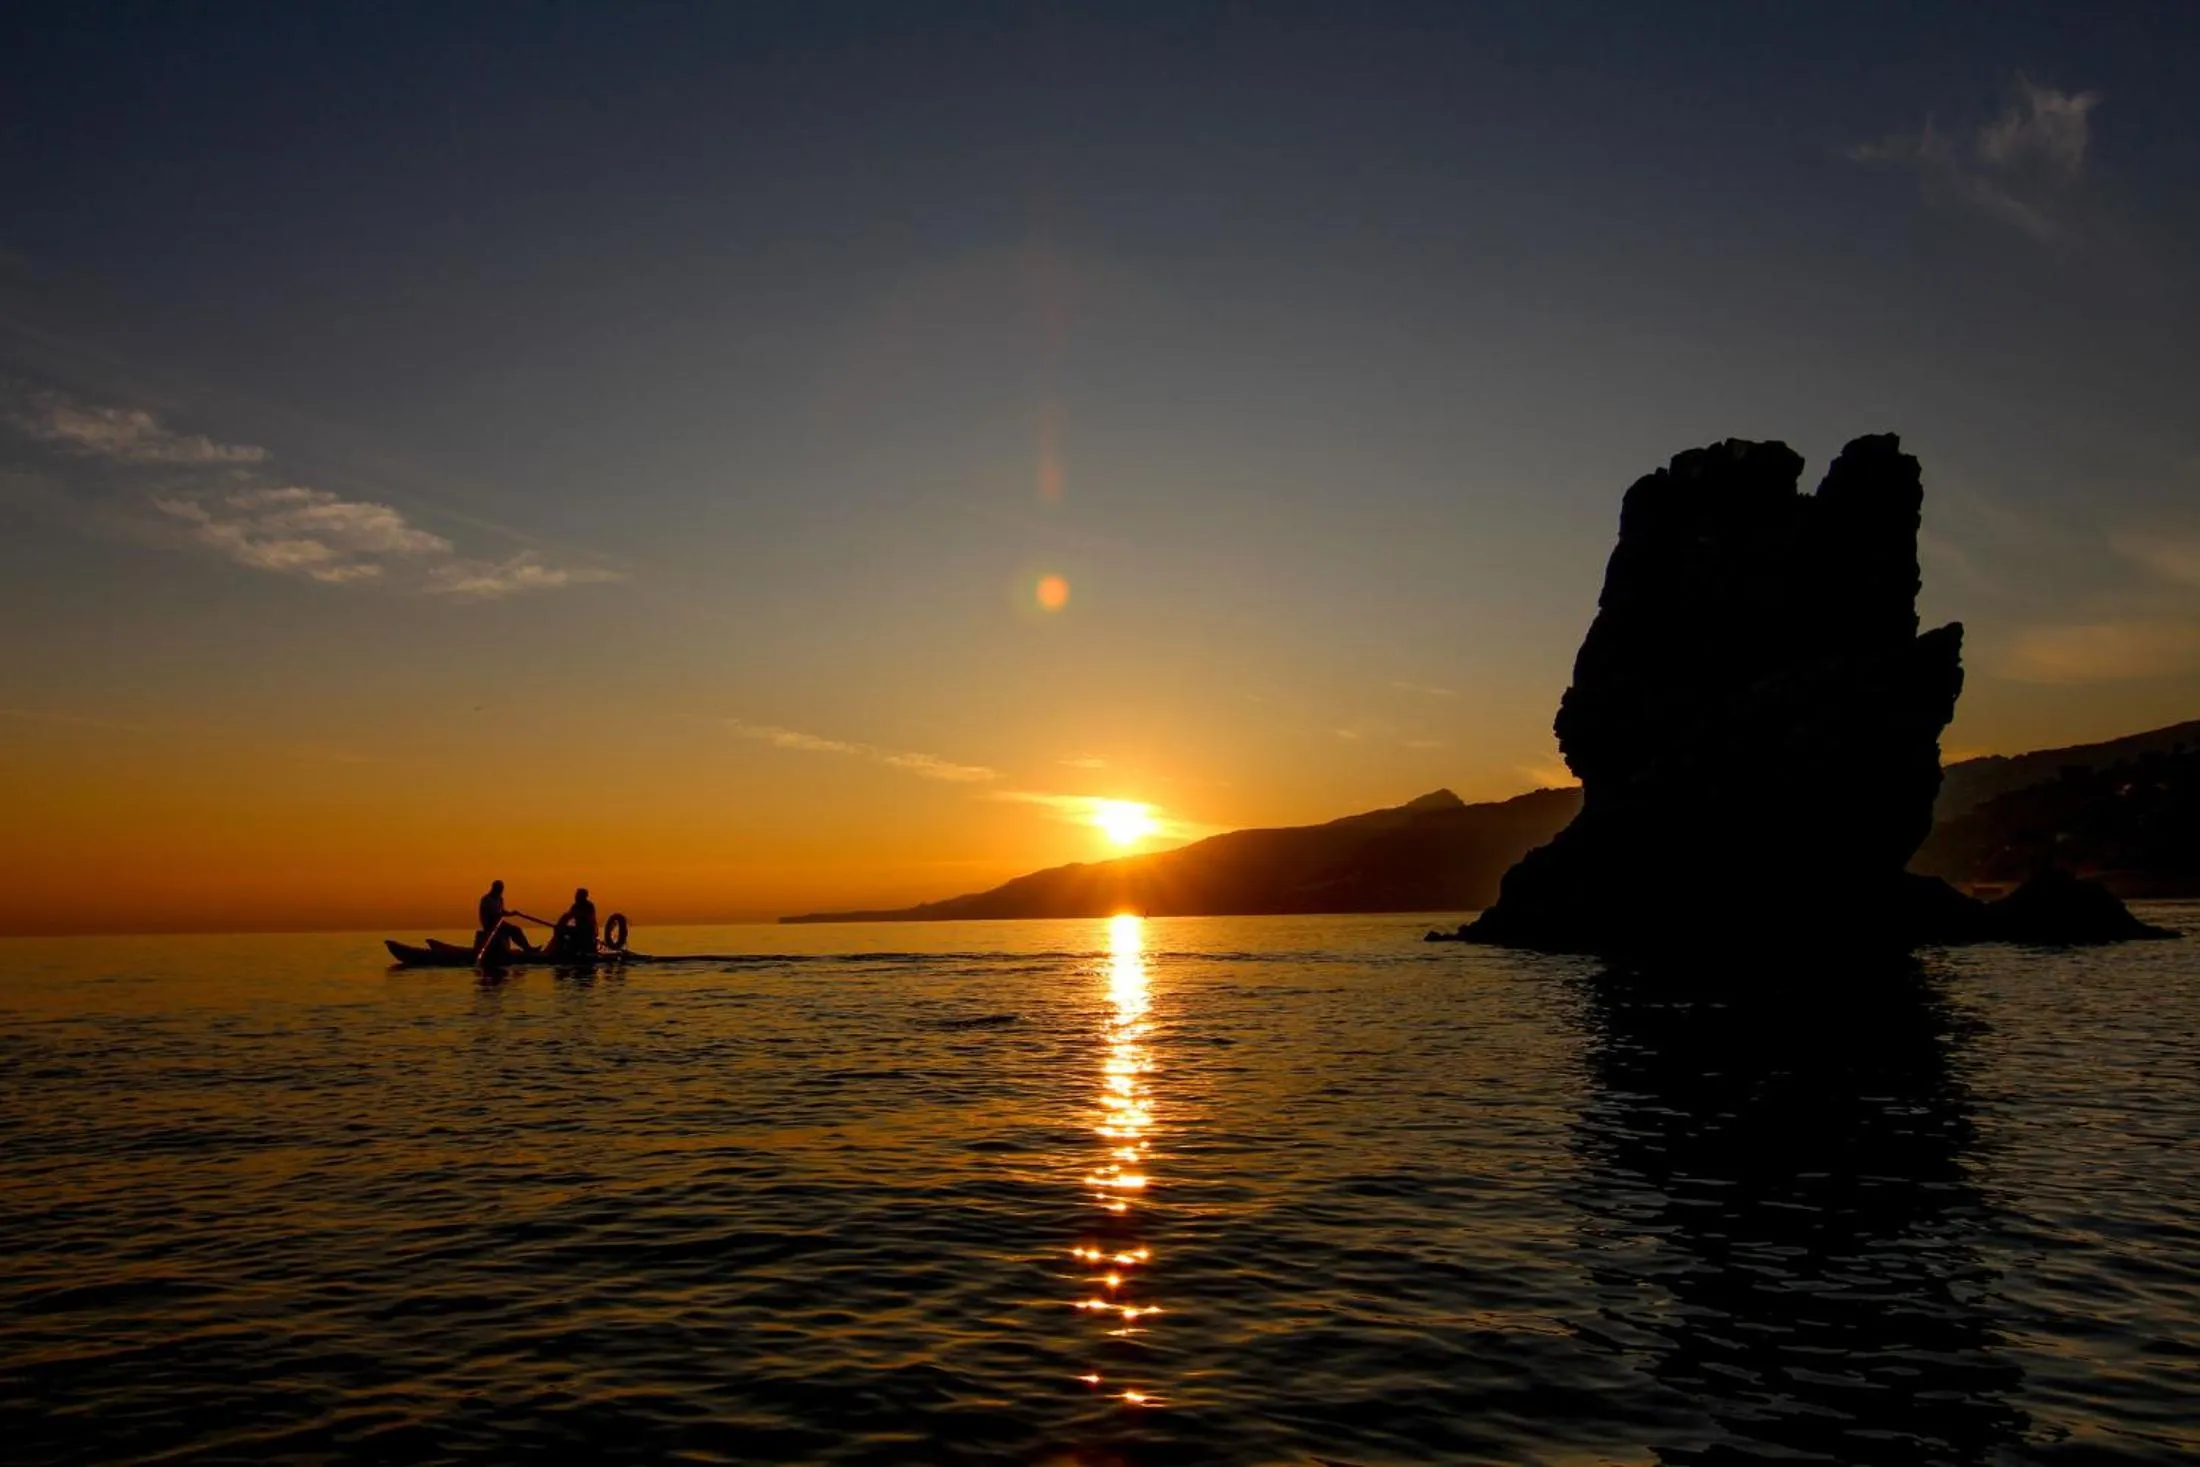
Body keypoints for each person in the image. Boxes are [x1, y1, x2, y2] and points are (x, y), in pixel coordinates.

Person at [475, 879, 538, 960]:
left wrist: (512, 913)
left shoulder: (500, 899)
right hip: (489, 924)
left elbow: (502, 911)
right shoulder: (486, 899)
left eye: (501, 889)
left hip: (499, 923)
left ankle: (527, 948)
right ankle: (528, 949)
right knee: (514, 930)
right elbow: (493, 914)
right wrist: (508, 914)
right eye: (499, 889)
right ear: (494, 888)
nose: (501, 891)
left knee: (516, 930)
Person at [551, 886, 599, 960]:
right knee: (560, 930)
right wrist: (559, 926)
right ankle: (557, 948)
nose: (576, 897)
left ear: (583, 896)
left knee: (569, 931)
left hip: (586, 932)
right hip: (577, 930)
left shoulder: (589, 906)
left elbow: (589, 919)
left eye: (578, 895)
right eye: (576, 895)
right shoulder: (575, 906)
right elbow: (567, 917)